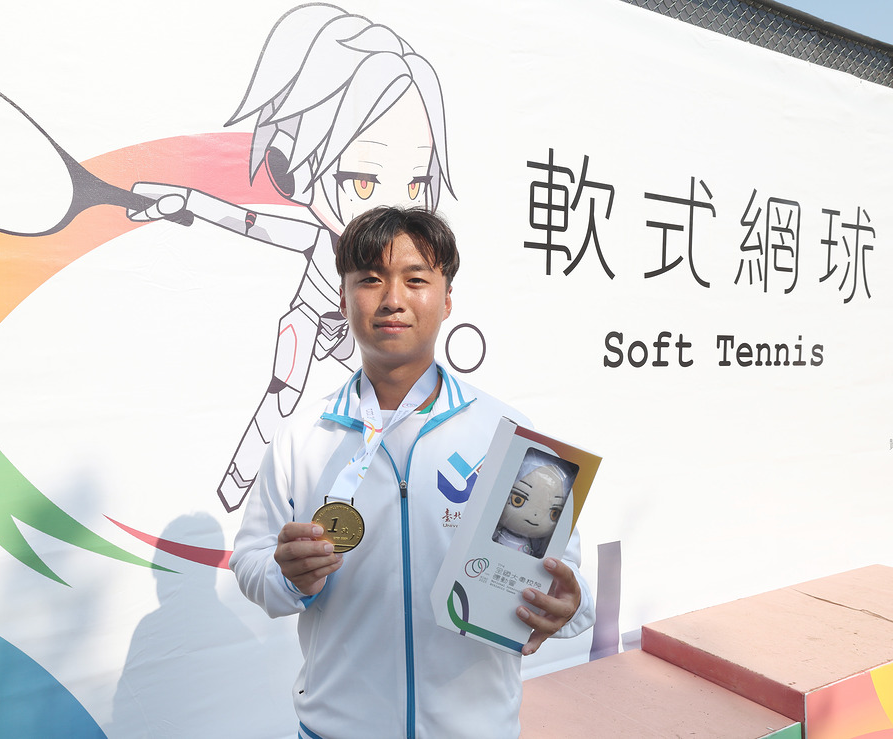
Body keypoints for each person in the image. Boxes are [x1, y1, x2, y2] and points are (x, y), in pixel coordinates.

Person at [230, 206, 594, 739]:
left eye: (416, 280)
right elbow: (250, 561)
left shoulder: (506, 433)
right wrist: (287, 576)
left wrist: (568, 603)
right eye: (370, 280)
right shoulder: (302, 436)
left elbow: (562, 567)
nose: (393, 299)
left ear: (446, 300)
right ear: (343, 298)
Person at [129, 4, 454, 513]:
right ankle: (235, 490)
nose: (389, 205)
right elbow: (248, 220)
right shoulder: (318, 239)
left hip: (351, 337)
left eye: (415, 183)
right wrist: (186, 200)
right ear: (291, 168)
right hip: (309, 319)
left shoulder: (477, 419)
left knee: (391, 402)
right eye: (362, 182)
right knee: (283, 394)